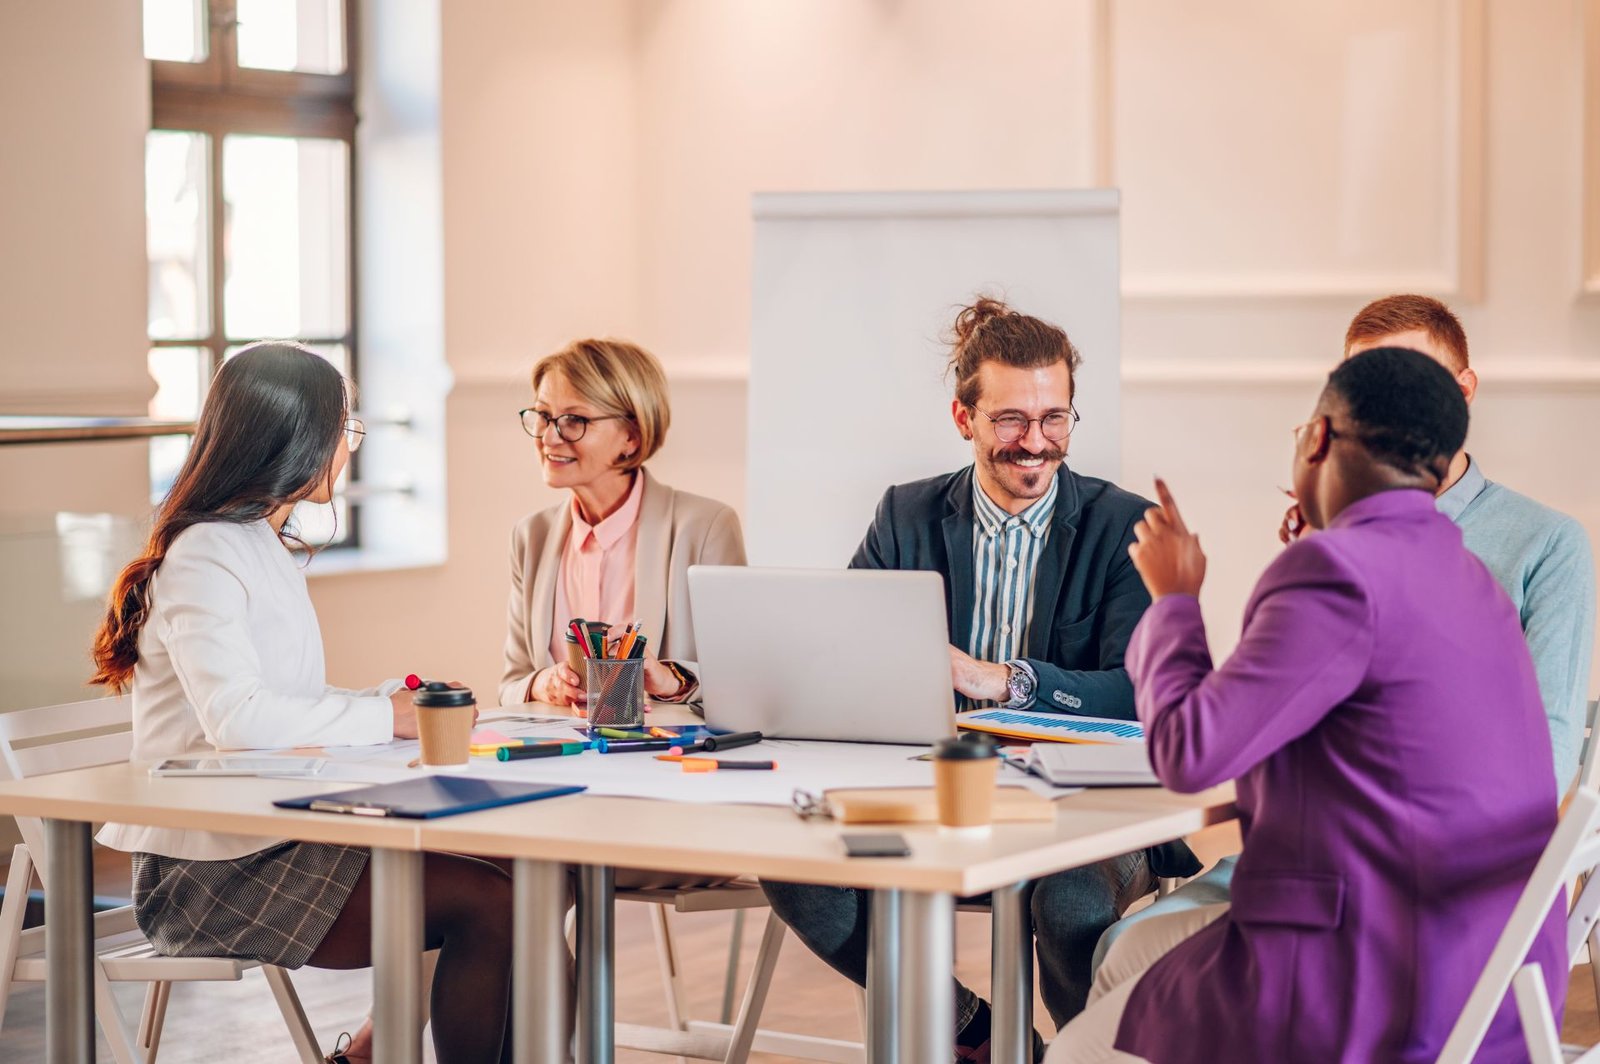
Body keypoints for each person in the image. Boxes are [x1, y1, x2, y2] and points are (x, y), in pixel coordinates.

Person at [1047, 348, 1566, 1063]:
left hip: (1361, 986)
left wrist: (1173, 601)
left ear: (1318, 437)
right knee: (1128, 962)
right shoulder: (1470, 578)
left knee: (1079, 1050)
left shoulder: (1335, 573)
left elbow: (1189, 753)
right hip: (1483, 985)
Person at [761, 298, 1199, 1063]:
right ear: (963, 418)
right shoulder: (907, 515)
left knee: (1067, 901)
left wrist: (1001, 679)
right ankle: (983, 1036)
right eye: (1010, 421)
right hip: (931, 789)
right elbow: (841, 653)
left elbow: (1137, 693)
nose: (1035, 444)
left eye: (1055, 418)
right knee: (798, 872)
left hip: (1085, 806)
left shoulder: (1123, 526)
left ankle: (1082, 1054)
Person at [90, 344, 516, 1064]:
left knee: (514, 878)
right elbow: (240, 722)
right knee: (494, 903)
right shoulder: (206, 553)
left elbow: (281, 703)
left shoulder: (260, 542)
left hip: (269, 836)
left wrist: (386, 699)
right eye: (342, 432)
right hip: (211, 873)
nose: (345, 450)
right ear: (294, 440)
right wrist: (384, 718)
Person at [499, 337, 746, 710]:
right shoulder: (531, 536)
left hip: (663, 762)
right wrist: (542, 684)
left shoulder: (706, 527)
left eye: (573, 420)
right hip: (554, 760)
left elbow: (745, 677)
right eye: (544, 416)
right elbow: (512, 683)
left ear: (631, 436)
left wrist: (669, 680)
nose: (550, 437)